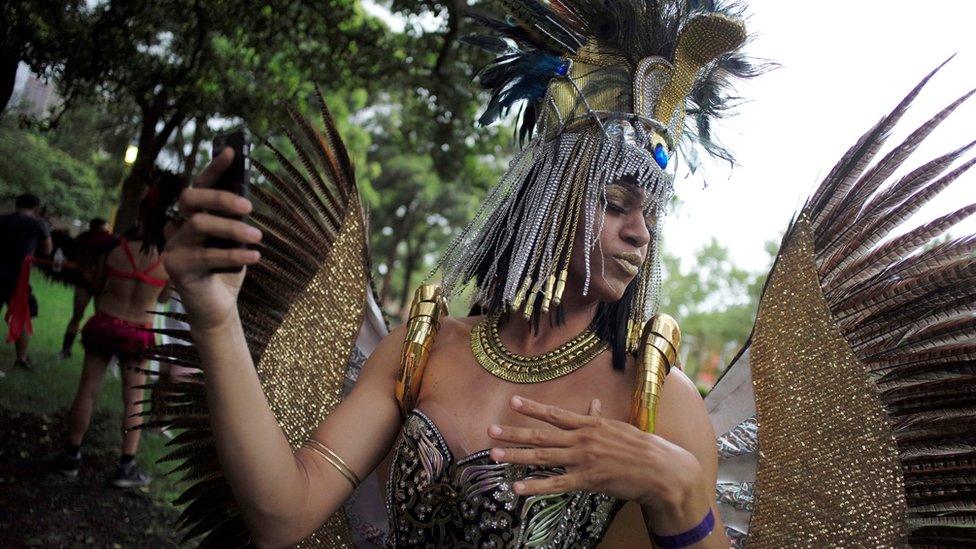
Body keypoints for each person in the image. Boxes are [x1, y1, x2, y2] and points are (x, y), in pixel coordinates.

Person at [158, 2, 766, 546]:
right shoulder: (423, 349)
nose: (642, 233)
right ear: (546, 199)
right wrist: (215, 319)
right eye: (615, 204)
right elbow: (282, 516)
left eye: (653, 214)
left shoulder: (655, 400)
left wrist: (680, 491)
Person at [54, 173, 183, 487]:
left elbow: (98, 285)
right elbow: (164, 297)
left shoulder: (114, 249)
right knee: (134, 400)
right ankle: (125, 466)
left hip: (105, 324)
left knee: (88, 390)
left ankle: (71, 456)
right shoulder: (167, 261)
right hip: (138, 332)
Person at [0, 193, 52, 369]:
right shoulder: (38, 224)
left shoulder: (3, 219)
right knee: (22, 316)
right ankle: (21, 358)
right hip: (18, 278)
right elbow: (47, 249)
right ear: (36, 208)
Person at [58, 218, 116, 358]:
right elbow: (75, 256)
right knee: (77, 315)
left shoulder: (111, 242)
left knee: (101, 319)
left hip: (101, 284)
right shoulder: (84, 239)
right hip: (84, 282)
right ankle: (66, 350)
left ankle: (100, 352)